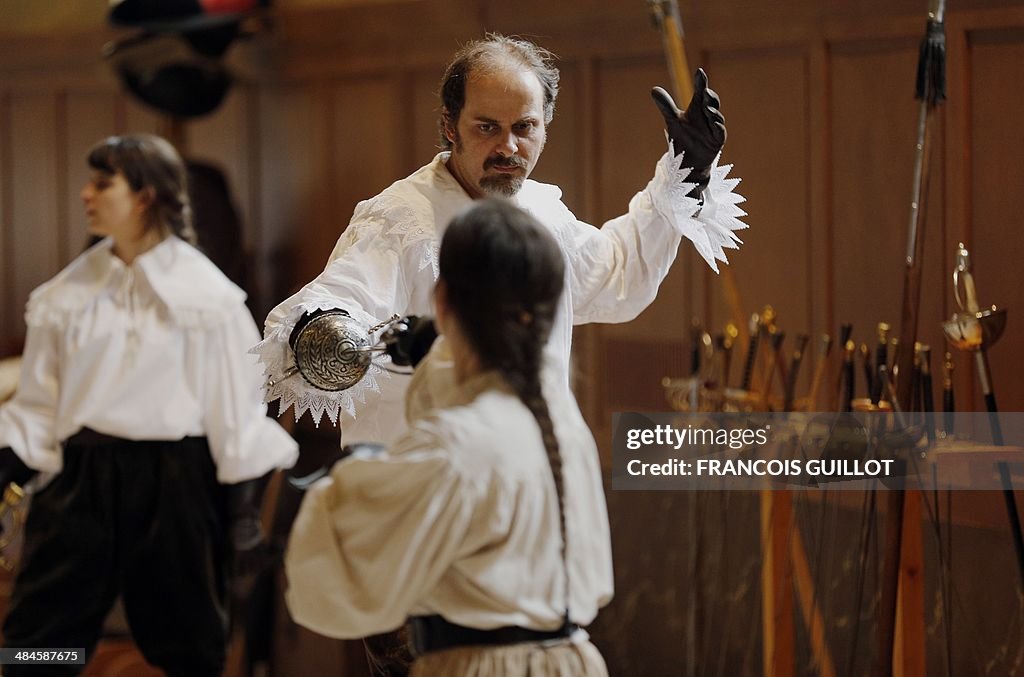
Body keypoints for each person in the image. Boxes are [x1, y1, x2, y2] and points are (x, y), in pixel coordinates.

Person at [252, 33, 746, 674]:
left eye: (524, 128)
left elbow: (612, 275)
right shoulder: (398, 219)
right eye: (487, 127)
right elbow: (333, 302)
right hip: (424, 526)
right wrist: (340, 342)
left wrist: (684, 170)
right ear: (449, 127)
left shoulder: (542, 212)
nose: (508, 147)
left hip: (531, 505)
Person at [0, 133, 298, 676]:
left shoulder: (208, 299)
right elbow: (39, 404)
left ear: (143, 196)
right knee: (40, 644)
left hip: (175, 484)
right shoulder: (64, 297)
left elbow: (236, 413)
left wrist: (243, 513)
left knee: (185, 645)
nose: (86, 194)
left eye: (102, 182)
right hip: (79, 480)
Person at [285, 198, 613, 676]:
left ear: (442, 301)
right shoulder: (560, 419)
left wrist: (350, 476)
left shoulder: (457, 445)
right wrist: (438, 351)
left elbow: (334, 589)